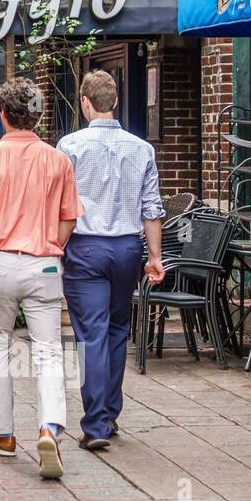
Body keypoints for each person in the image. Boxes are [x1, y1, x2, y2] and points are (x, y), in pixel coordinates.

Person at [0, 77, 83, 480]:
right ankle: (49, 427)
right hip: (44, 263)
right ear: (38, 116)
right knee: (48, 349)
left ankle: (3, 433)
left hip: (1, 263)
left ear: (2, 115)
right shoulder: (58, 160)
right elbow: (69, 218)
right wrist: (52, 245)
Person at [56, 71, 166, 451]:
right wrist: (155, 256)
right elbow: (152, 208)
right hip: (127, 249)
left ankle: (97, 423)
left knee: (91, 335)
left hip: (86, 248)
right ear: (115, 102)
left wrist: (55, 249)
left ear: (85, 103)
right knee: (119, 330)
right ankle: (110, 412)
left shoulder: (68, 147)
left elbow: (60, 206)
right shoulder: (141, 148)